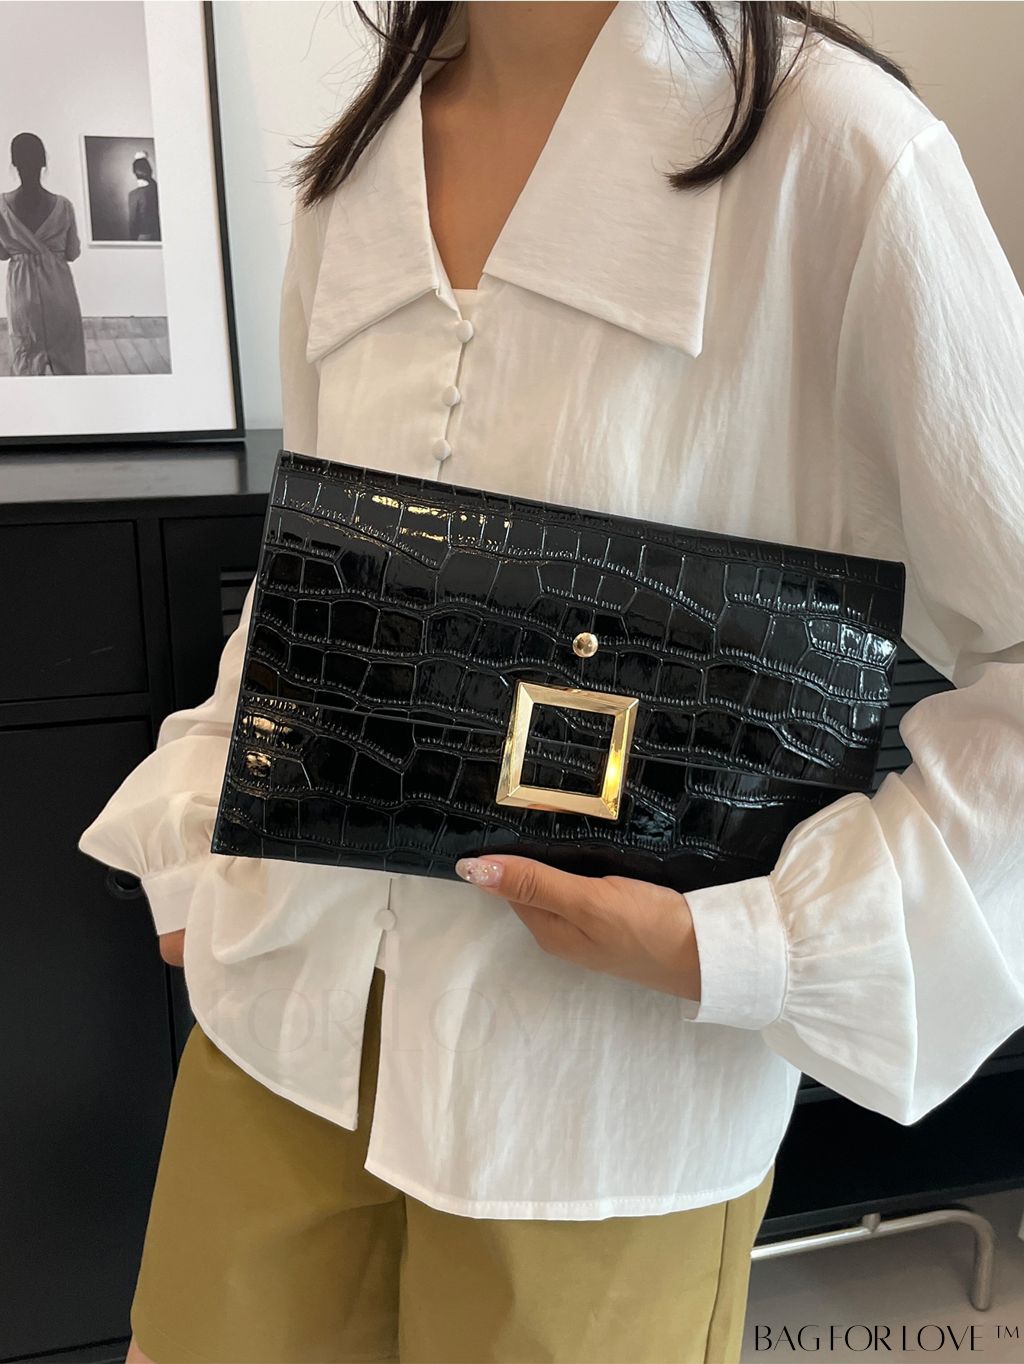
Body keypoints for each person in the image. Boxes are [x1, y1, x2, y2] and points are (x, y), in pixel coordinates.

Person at [77, 3, 1024, 1362]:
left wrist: (761, 943)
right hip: (278, 1030)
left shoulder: (844, 159)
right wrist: (194, 837)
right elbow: (316, 578)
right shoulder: (358, 165)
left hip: (597, 1103)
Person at [0, 131, 87, 375]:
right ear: (44, 162)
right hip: (60, 292)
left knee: (26, 363)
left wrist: (21, 248)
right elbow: (72, 253)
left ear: (14, 163)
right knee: (70, 366)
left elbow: (2, 254)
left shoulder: (1, 205)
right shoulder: (64, 206)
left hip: (23, 295)